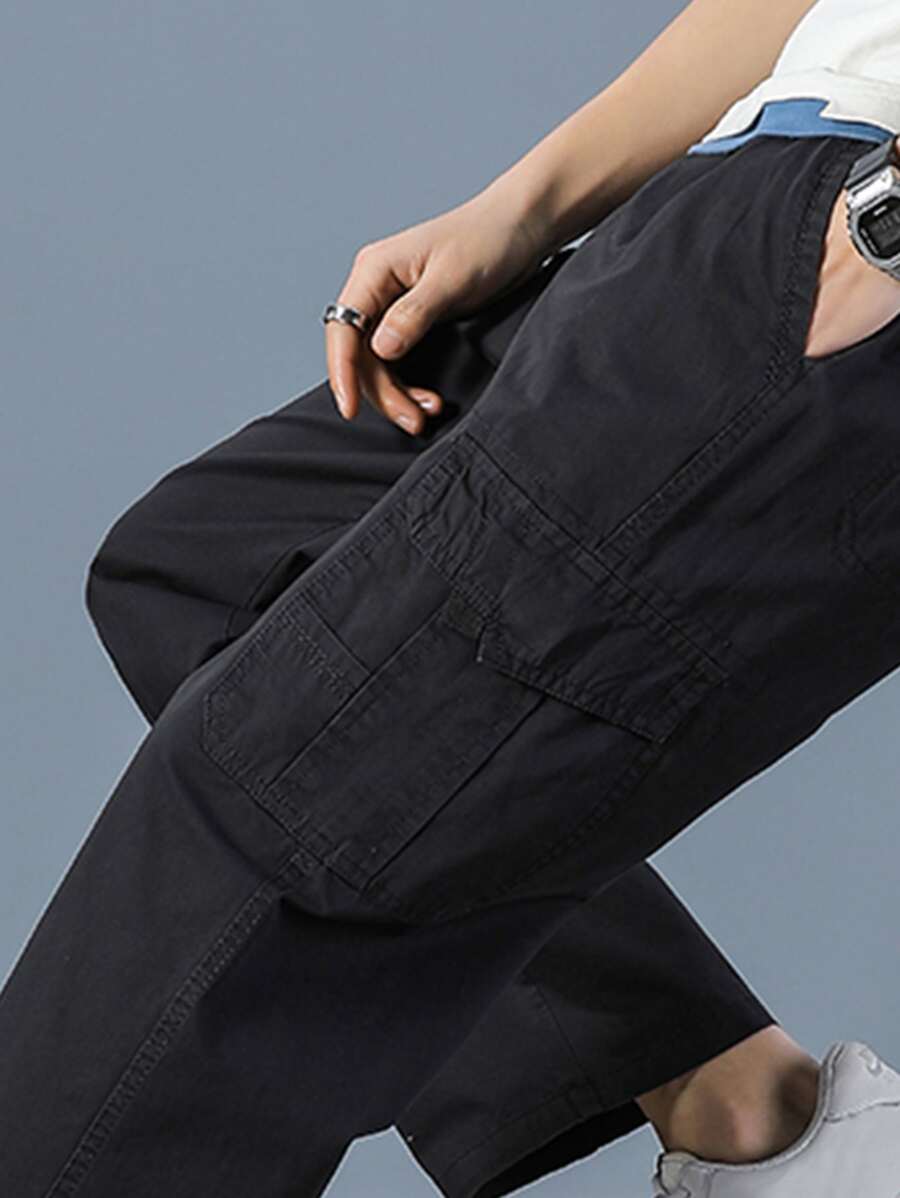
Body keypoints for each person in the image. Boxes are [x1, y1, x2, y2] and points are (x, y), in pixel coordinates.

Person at [2, 1, 900, 1195]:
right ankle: (771, 1124)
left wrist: (885, 229)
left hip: (831, 253)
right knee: (208, 565)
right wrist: (523, 207)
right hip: (748, 191)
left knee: (286, 809)